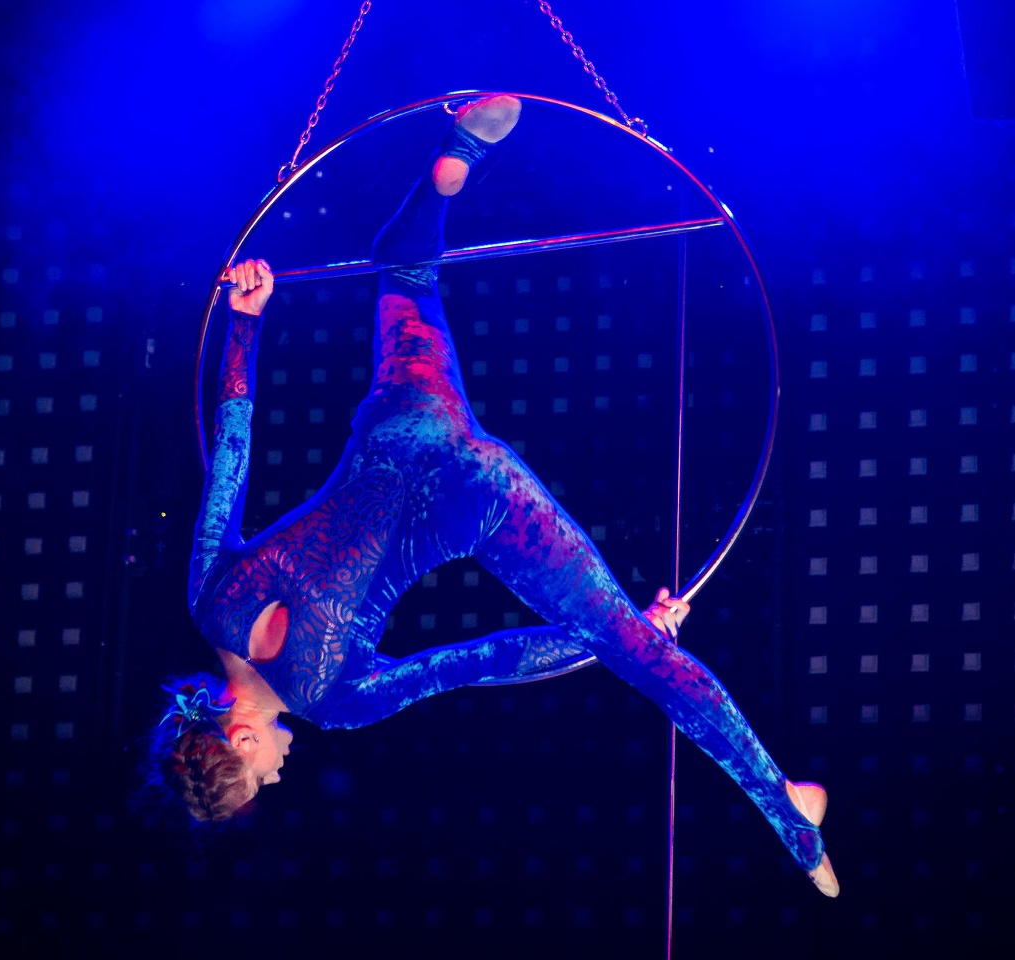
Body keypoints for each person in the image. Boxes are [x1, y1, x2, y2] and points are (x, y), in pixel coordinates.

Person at [154, 96, 838, 896]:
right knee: (405, 271)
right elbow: (231, 455)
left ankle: (790, 813)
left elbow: (483, 660)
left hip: (475, 494)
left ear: (238, 741)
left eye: (260, 779)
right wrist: (246, 324)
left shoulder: (333, 704)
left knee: (639, 651)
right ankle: (449, 167)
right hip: (405, 423)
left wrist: (617, 636)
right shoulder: (210, 600)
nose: (277, 774)